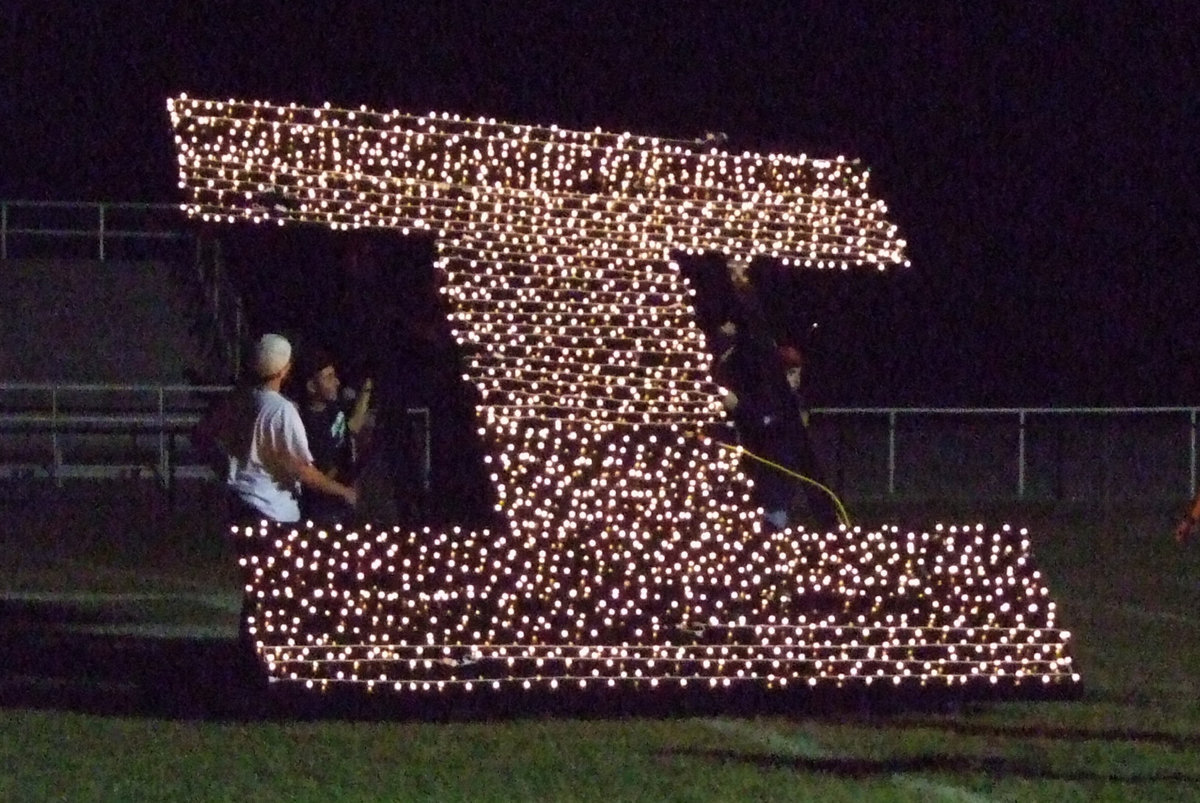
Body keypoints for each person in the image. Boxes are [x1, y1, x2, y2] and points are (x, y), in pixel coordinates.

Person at [214, 333, 358, 526]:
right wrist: (343, 491)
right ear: (284, 370)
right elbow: (301, 469)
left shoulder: (242, 401)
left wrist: (226, 470)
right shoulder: (282, 410)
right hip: (273, 510)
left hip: (239, 505)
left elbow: (204, 436)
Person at [295, 345, 374, 523]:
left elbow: (350, 427)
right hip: (321, 507)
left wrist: (367, 389)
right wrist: (343, 490)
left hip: (340, 497)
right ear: (311, 386)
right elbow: (313, 473)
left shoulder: (333, 406)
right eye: (328, 377)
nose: (337, 382)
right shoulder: (304, 423)